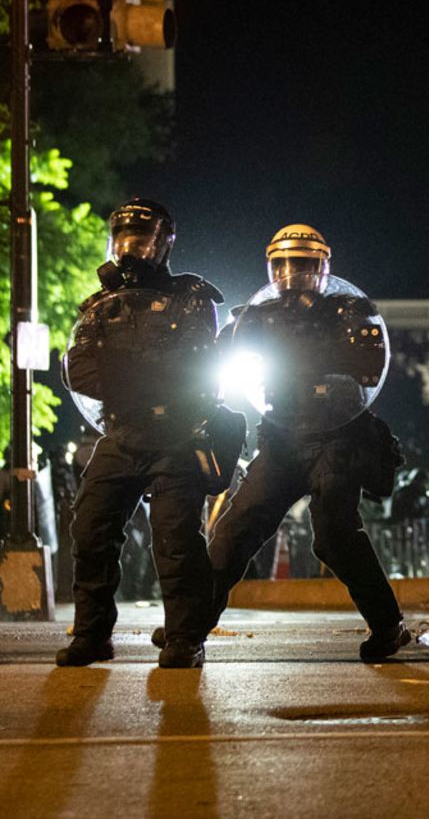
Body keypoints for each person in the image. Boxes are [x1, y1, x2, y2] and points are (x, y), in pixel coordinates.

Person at [159, 224, 409, 661]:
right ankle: (191, 627)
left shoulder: (346, 314)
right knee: (236, 530)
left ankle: (389, 626)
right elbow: (215, 359)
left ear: (323, 268)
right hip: (281, 437)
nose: (295, 275)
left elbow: (370, 370)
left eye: (305, 265)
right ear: (272, 268)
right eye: (285, 265)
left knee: (334, 533)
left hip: (337, 436)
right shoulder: (255, 317)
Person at [58, 198, 229, 668]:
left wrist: (129, 373)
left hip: (175, 432)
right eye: (124, 239)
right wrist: (139, 377)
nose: (131, 249)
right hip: (121, 432)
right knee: (90, 529)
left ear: (164, 242)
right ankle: (92, 635)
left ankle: (184, 639)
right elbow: (79, 370)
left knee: (175, 540)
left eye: (142, 238)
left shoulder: (192, 298)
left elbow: (196, 366)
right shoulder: (98, 306)